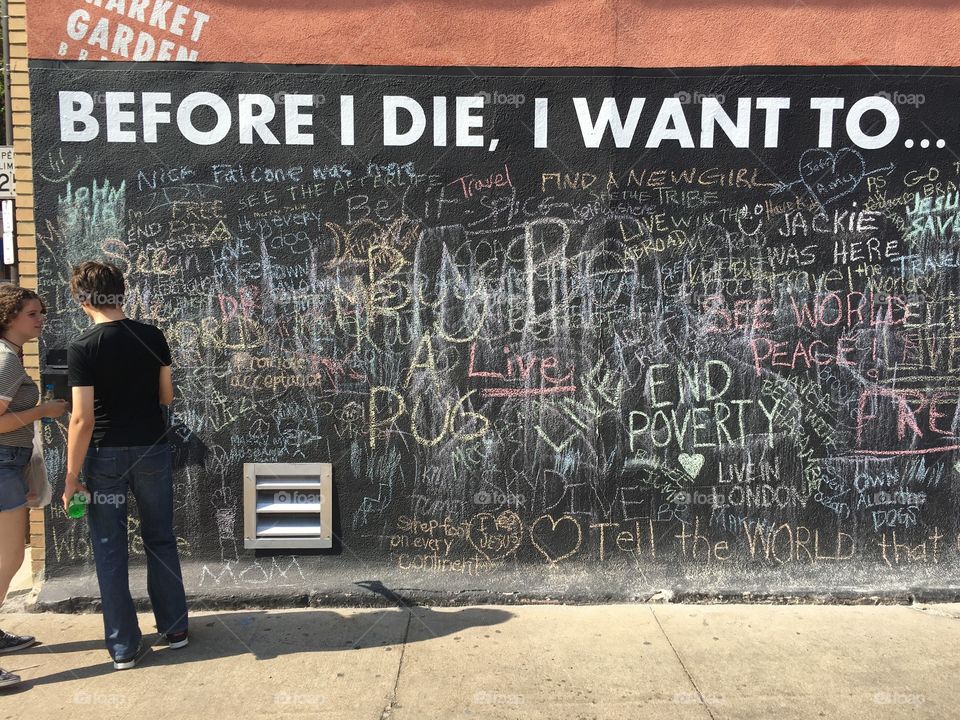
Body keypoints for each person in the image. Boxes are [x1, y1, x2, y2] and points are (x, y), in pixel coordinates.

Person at [62, 261, 188, 670]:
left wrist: (70, 477)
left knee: (109, 548)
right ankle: (175, 629)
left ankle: (123, 648)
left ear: (83, 300)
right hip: (152, 450)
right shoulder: (153, 336)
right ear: (122, 292)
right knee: (161, 539)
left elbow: (82, 418)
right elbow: (165, 396)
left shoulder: (82, 347)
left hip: (106, 458)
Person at [0, 284, 67, 689]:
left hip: (11, 464)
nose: (41, 320)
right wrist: (43, 411)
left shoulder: (10, 357)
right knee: (7, 560)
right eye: (32, 314)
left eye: (41, 312)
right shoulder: (6, 360)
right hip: (3, 464)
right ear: (9, 317)